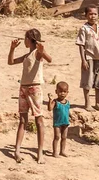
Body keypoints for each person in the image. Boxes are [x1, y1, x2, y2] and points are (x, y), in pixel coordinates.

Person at [8, 29, 52, 164]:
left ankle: (40, 152)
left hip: (34, 88)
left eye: (25, 38)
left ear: (29, 39)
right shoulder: (27, 56)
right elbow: (10, 62)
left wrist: (42, 50)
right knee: (22, 119)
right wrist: (12, 49)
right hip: (24, 88)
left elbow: (49, 59)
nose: (24, 41)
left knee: (39, 120)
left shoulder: (37, 53)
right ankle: (17, 150)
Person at [76, 5, 99, 111]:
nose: (93, 16)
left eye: (95, 14)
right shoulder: (84, 29)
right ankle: (87, 104)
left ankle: (97, 103)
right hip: (89, 57)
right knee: (88, 81)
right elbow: (81, 45)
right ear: (86, 15)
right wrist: (83, 60)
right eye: (90, 14)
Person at [47, 82, 70, 158]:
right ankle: (54, 152)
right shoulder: (55, 101)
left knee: (64, 137)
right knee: (57, 137)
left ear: (67, 92)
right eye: (60, 91)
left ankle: (62, 151)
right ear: (56, 91)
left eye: (64, 92)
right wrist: (50, 100)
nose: (62, 93)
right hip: (57, 123)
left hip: (65, 122)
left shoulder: (67, 102)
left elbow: (67, 111)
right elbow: (50, 109)